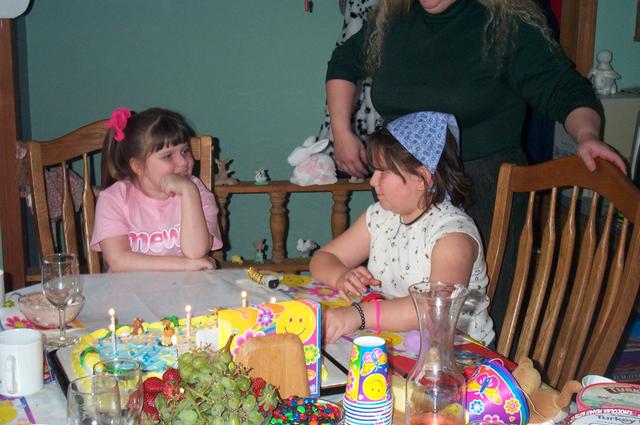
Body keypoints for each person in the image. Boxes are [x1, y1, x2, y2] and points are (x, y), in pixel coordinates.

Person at [324, 0, 626, 333]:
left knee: (470, 321)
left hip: (484, 191)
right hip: (405, 186)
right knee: (398, 302)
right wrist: (341, 131)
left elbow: (563, 88)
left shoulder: (504, 26)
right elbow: (343, 62)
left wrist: (586, 135)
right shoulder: (392, 22)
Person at [310, 111, 494, 345]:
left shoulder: (452, 235)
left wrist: (358, 315)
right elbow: (322, 259)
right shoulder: (380, 217)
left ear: (422, 178)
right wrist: (341, 277)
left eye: (383, 172)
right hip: (396, 340)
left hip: (458, 353)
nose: (372, 181)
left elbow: (432, 310)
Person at [91, 107, 223, 272]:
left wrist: (189, 193)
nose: (183, 162)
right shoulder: (113, 199)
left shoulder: (196, 192)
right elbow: (118, 261)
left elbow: (196, 252)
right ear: (137, 166)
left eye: (185, 151)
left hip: (186, 286)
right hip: (130, 286)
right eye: (168, 156)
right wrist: (184, 264)